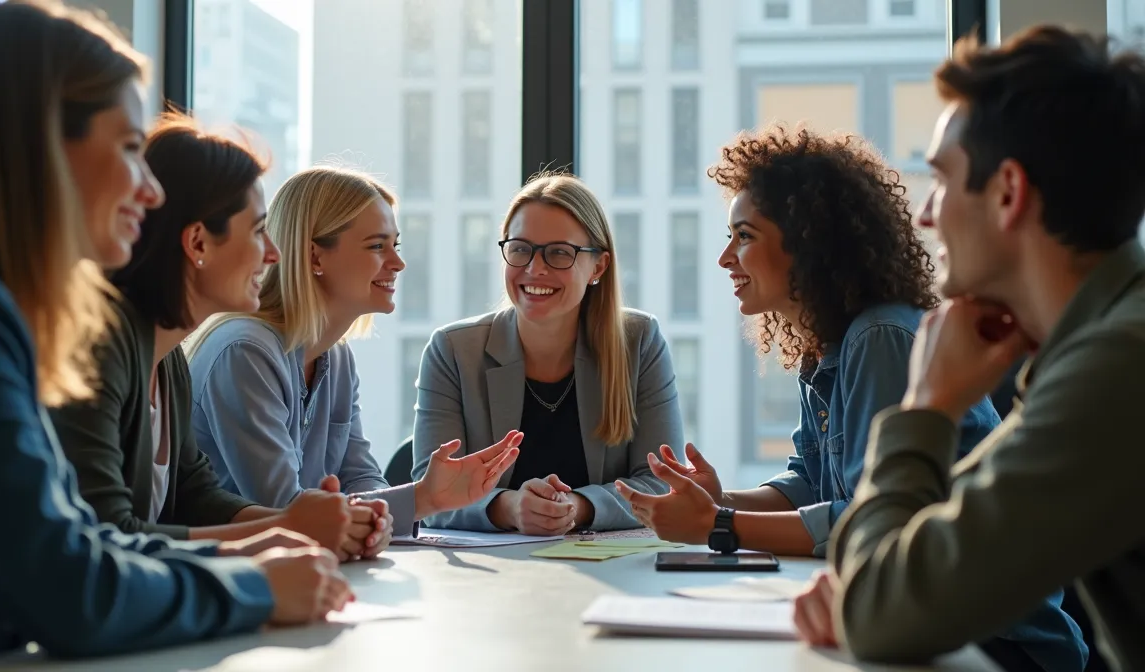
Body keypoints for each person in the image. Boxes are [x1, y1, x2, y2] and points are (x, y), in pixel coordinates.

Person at [0, 3, 346, 669]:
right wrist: (252, 584)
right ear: (42, 143)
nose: (152, 191)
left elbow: (76, 543)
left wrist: (254, 554)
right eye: (131, 149)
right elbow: (69, 589)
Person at [617, 125, 1085, 671]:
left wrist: (719, 525)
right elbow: (810, 482)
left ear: (807, 242)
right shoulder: (829, 345)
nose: (726, 258)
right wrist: (725, 500)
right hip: (938, 622)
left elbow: (871, 523)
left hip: (999, 647)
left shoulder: (880, 337)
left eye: (744, 235)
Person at [788, 26, 1145, 672]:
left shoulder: (1118, 368)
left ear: (1008, 193)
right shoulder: (1102, 345)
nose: (925, 214)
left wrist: (927, 405)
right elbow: (902, 573)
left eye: (942, 179)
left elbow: (877, 609)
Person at [51, 115, 377, 560]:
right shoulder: (102, 348)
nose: (274, 254)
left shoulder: (167, 361)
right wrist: (286, 527)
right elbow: (106, 533)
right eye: (259, 231)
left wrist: (302, 524)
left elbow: (195, 496)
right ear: (199, 244)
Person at [186, 166, 521, 537]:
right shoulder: (245, 352)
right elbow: (284, 507)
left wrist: (421, 501)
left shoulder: (337, 357)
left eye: (395, 245)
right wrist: (421, 499)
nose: (398, 263)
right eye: (377, 246)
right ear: (315, 258)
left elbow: (359, 477)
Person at [412, 173, 684, 534]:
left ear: (597, 267)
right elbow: (430, 494)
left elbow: (663, 483)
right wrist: (510, 508)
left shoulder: (640, 341)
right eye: (521, 248)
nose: (534, 268)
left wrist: (579, 507)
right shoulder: (452, 351)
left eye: (559, 253)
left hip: (613, 573)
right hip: (493, 576)